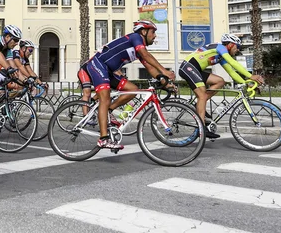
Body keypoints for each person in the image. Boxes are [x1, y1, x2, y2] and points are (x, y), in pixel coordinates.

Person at [78, 20, 175, 150]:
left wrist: (164, 81)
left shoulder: (139, 49)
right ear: (144, 32)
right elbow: (145, 55)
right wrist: (164, 71)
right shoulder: (135, 37)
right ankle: (103, 139)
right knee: (105, 98)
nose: (155, 35)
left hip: (109, 70)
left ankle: (108, 110)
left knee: (133, 90)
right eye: (153, 32)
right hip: (98, 64)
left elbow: (150, 67)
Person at [179, 33, 264, 139]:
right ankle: (201, 129)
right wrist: (251, 76)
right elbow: (233, 63)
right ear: (230, 45)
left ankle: (201, 103)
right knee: (202, 96)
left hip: (196, 70)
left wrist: (246, 83)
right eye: (237, 47)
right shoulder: (221, 47)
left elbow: (232, 72)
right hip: (188, 67)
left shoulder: (221, 57)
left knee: (220, 81)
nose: (237, 50)